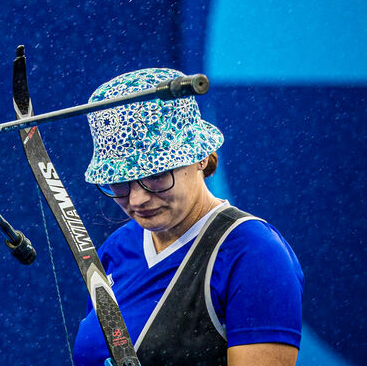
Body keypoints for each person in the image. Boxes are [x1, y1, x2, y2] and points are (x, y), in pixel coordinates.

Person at [71, 68, 304, 366]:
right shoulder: (117, 248)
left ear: (201, 157)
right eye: (119, 182)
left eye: (155, 175)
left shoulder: (254, 252)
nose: (137, 199)